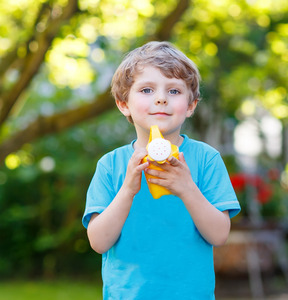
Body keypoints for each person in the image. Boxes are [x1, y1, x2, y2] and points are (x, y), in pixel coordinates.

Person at [82, 41, 241, 299]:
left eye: (174, 91)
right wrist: (127, 190)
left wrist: (187, 188)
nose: (161, 98)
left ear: (191, 105)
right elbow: (99, 242)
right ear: (123, 104)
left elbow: (219, 235)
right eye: (146, 89)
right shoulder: (111, 165)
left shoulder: (206, 159)